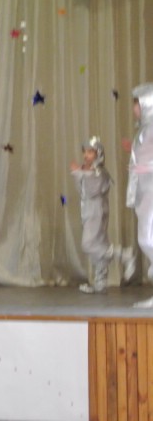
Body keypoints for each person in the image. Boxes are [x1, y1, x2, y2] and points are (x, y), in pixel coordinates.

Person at [70, 136, 135, 294]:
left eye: (90, 152)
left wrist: (78, 173)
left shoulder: (99, 171)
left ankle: (124, 255)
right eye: (85, 152)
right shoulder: (90, 170)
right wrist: (80, 172)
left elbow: (92, 191)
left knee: (89, 244)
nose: (86, 155)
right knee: (98, 243)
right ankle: (100, 281)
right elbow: (83, 191)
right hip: (90, 210)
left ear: (98, 153)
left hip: (96, 211)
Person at [124, 84, 153, 307]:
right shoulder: (144, 129)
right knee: (146, 239)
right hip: (145, 189)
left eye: (137, 104)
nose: (134, 108)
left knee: (148, 238)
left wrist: (145, 167)